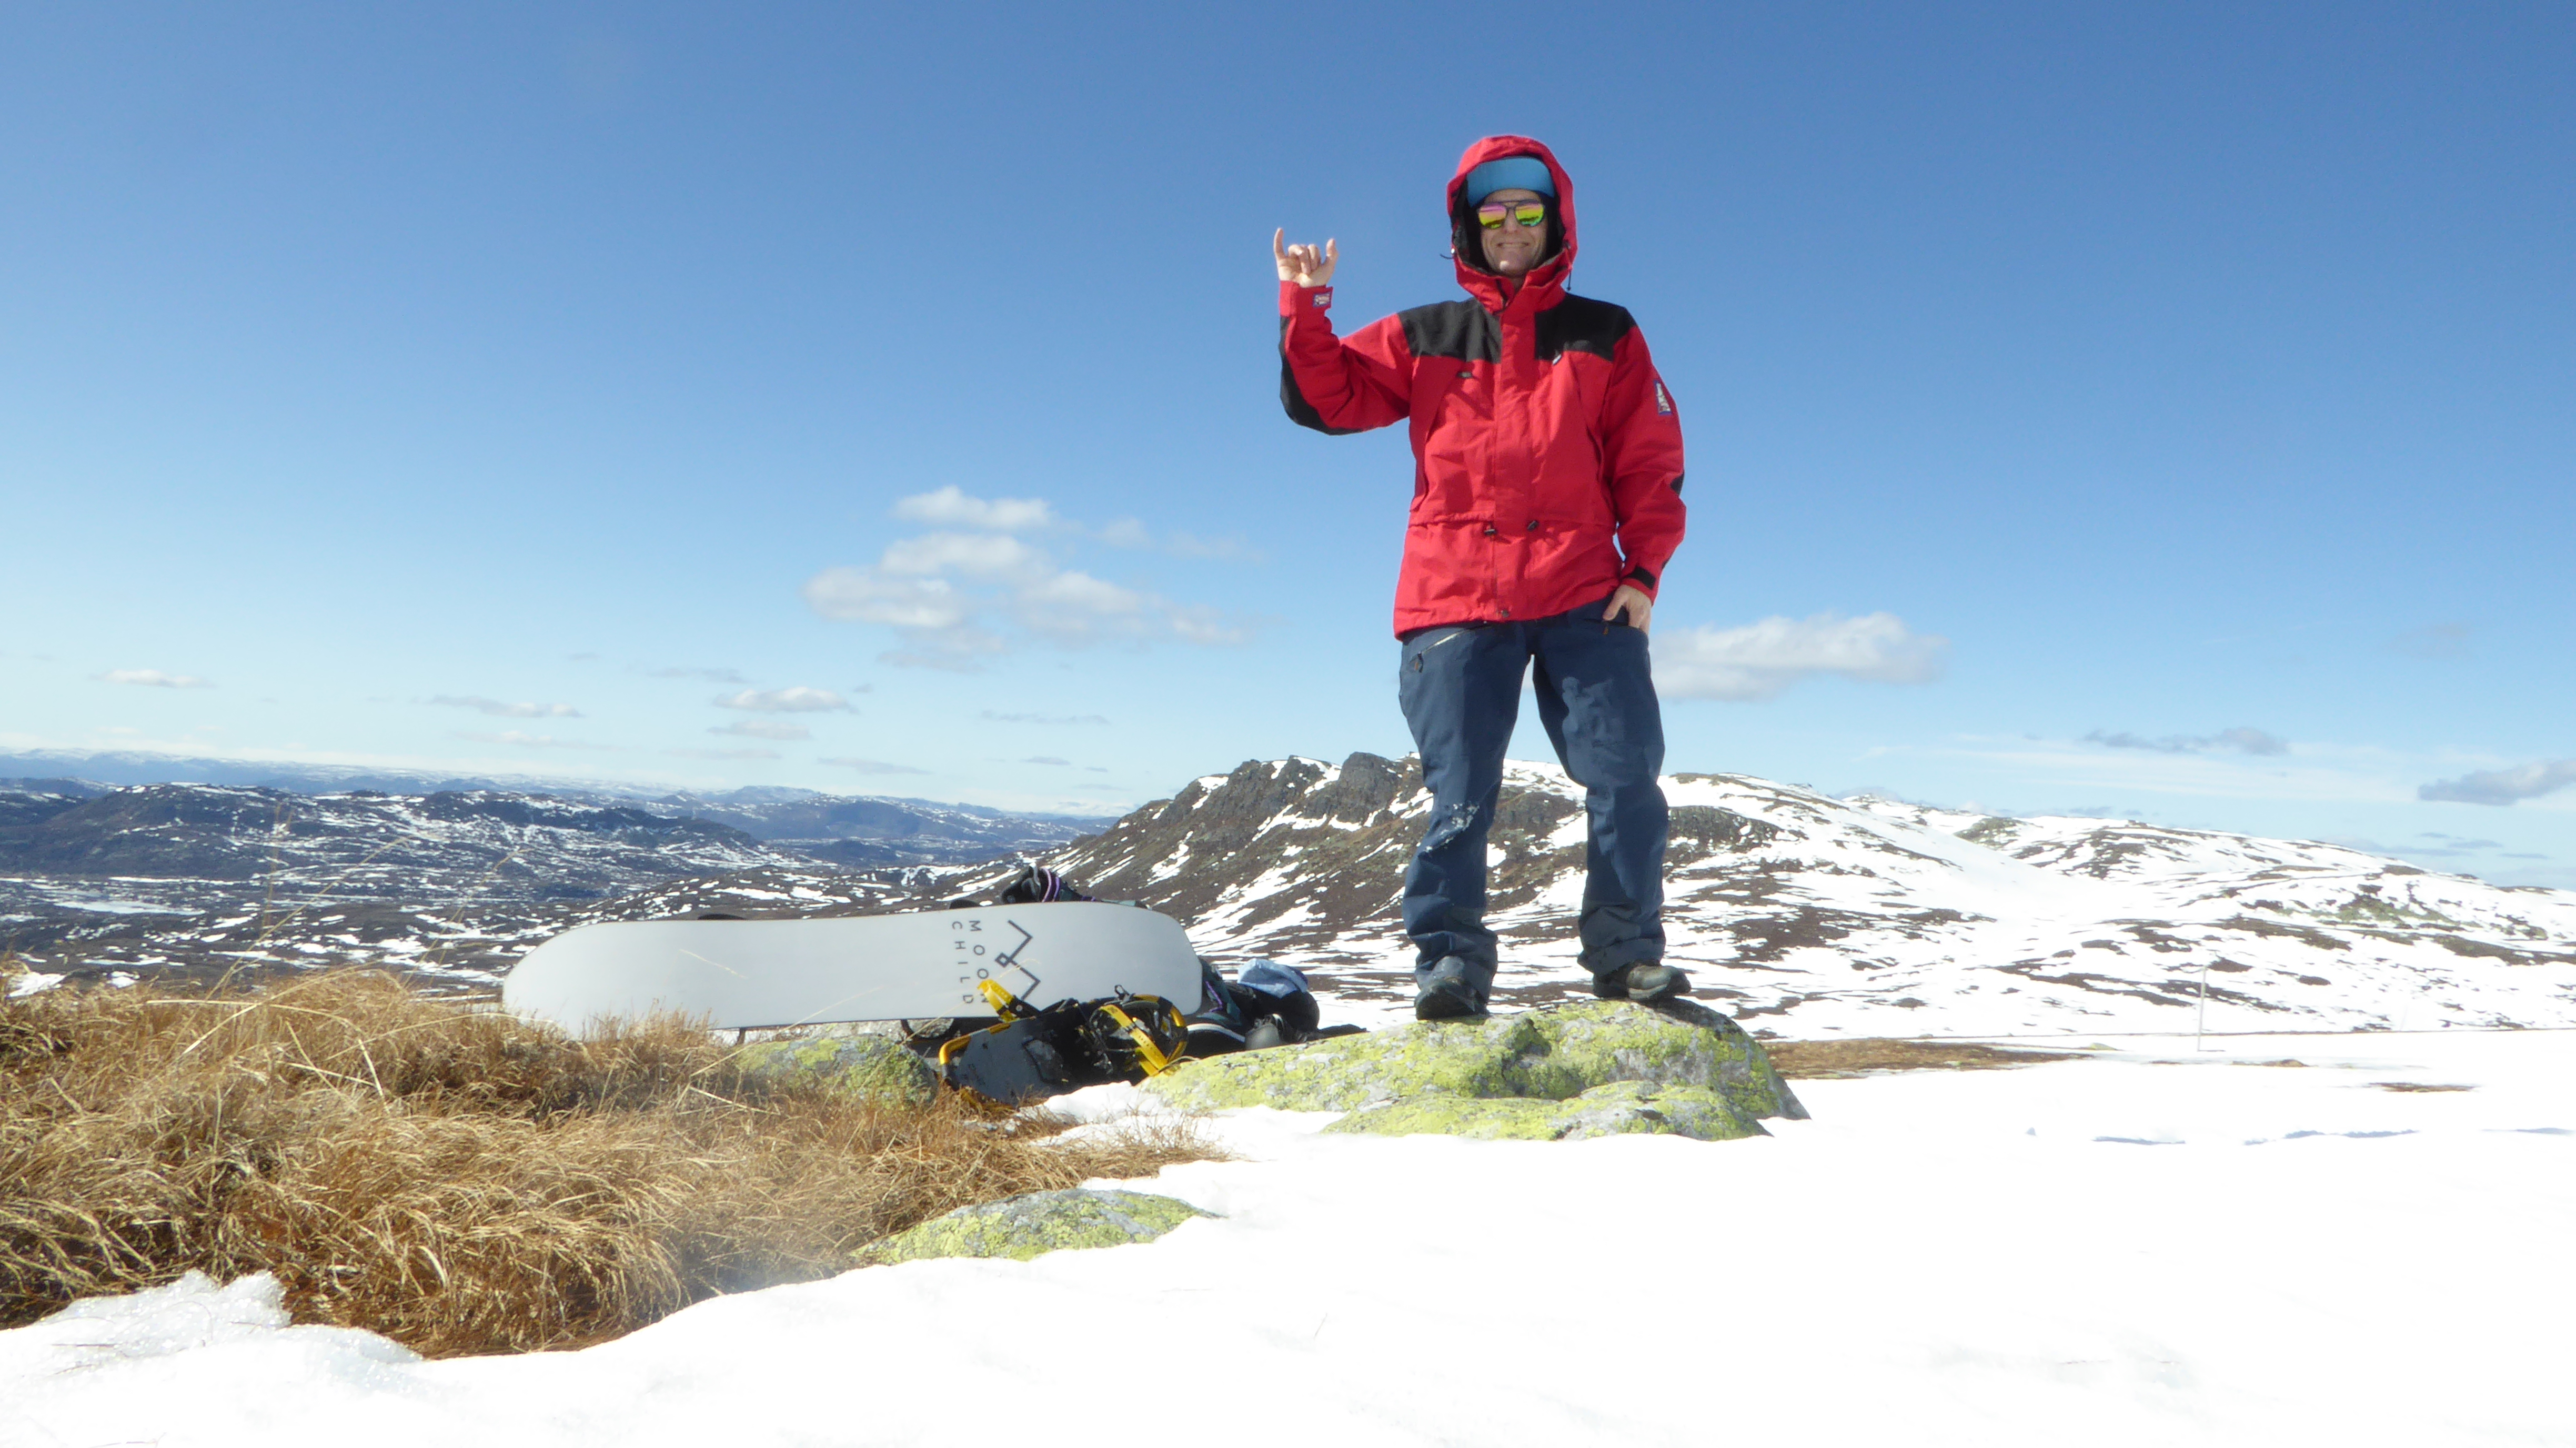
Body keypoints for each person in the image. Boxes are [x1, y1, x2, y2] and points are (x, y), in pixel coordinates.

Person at [1272, 136, 1690, 1020]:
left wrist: (1644, 572)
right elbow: (1331, 400)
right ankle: (1451, 964)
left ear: (1556, 222)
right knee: (1461, 793)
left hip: (1585, 591)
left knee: (1624, 777)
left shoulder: (1607, 333)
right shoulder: (1426, 334)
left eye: (1528, 210)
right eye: (1492, 212)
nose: (1510, 226)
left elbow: (1650, 462)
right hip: (1455, 594)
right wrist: (1305, 306)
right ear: (1468, 225)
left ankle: (1627, 955)